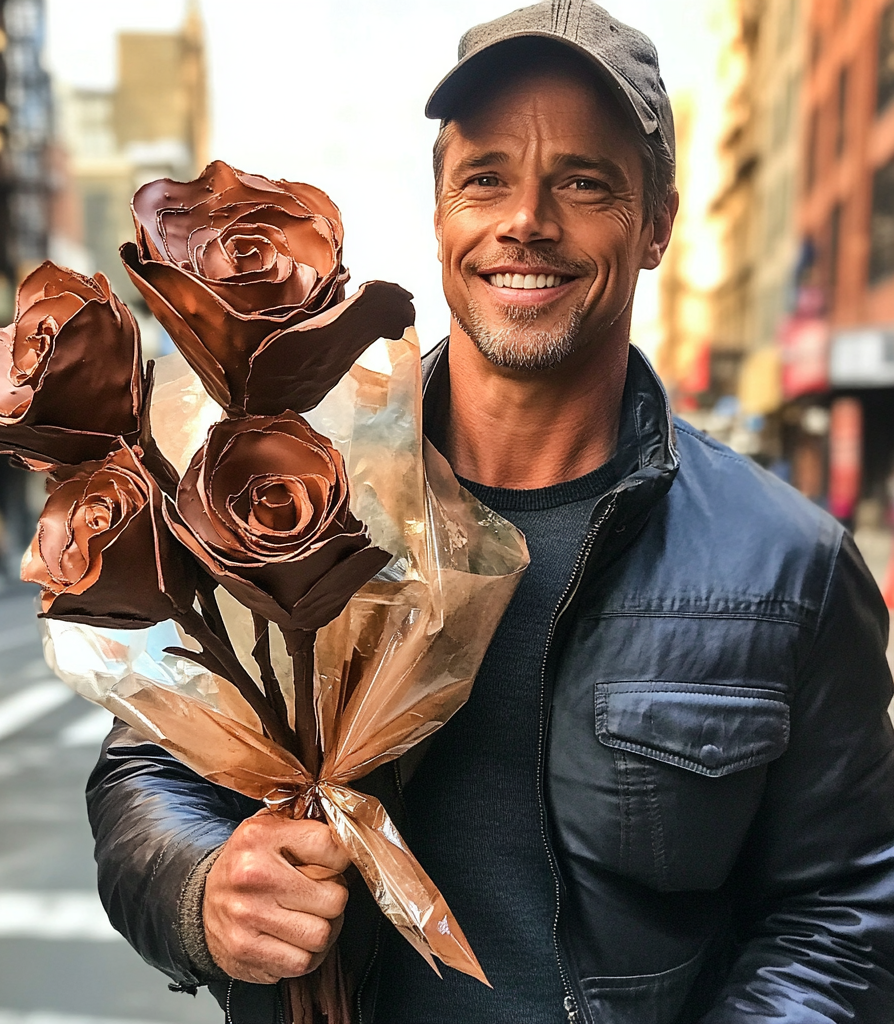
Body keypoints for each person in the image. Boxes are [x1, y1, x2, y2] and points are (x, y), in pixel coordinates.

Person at [86, 4, 894, 1022]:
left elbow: (843, 913)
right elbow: (146, 767)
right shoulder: (278, 497)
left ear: (655, 227)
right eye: (485, 178)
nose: (526, 220)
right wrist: (200, 886)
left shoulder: (790, 569)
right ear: (438, 215)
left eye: (584, 183)